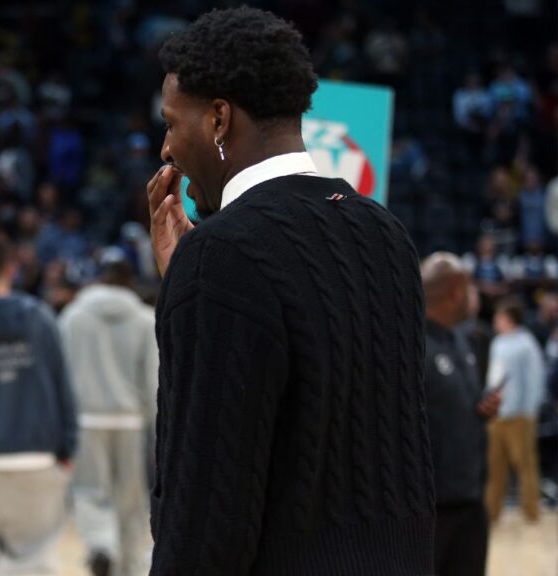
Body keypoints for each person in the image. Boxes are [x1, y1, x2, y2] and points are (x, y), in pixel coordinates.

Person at [146, 7, 434, 574]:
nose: (165, 149)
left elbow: (203, 521)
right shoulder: (385, 231)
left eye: (171, 123)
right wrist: (187, 283)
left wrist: (198, 277)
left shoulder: (223, 256)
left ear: (219, 120)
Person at [0, 234, 78, 576]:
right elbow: (63, 384)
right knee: (30, 566)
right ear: (13, 269)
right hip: (36, 458)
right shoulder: (41, 318)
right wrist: (68, 447)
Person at [58, 250, 157, 576]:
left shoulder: (74, 316)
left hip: (86, 420)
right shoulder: (145, 318)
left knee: (90, 493)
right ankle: (130, 568)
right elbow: (154, 377)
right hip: (130, 421)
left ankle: (101, 546)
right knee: (131, 502)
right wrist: (155, 425)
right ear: (130, 279)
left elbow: (62, 371)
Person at [422, 253, 502, 576]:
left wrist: (480, 412)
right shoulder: (413, 345)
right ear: (455, 292)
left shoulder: (462, 341)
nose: (475, 297)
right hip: (431, 509)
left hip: (470, 498)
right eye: (470, 289)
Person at [484, 296, 547, 524]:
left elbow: (535, 377)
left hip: (519, 415)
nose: (495, 321)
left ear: (509, 319)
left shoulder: (526, 343)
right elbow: (493, 378)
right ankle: (491, 513)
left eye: (499, 317)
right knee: (494, 466)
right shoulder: (497, 343)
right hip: (496, 415)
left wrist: (530, 410)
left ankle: (531, 513)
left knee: (525, 465)